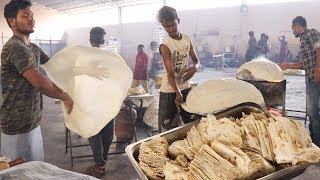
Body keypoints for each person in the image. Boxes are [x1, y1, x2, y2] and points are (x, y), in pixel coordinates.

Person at [0, 0, 74, 162]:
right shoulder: (14, 47)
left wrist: (83, 67)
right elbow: (40, 83)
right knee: (18, 171)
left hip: (32, 121)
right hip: (16, 124)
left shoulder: (32, 48)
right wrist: (66, 97)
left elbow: (56, 65)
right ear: (12, 21)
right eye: (25, 15)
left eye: (32, 15)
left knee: (34, 165)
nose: (31, 19)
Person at [157, 6, 200, 132]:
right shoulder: (165, 45)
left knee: (192, 124)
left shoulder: (186, 39)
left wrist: (194, 68)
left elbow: (196, 61)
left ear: (178, 20)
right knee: (166, 128)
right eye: (167, 27)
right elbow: (170, 73)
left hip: (185, 87)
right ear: (163, 26)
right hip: (169, 90)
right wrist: (177, 92)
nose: (171, 29)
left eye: (173, 25)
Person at [279, 16, 320, 146]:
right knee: (312, 112)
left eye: (292, 28)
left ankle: (317, 144)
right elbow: (303, 63)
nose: (292, 31)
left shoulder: (311, 33)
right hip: (310, 79)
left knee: (313, 112)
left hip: (316, 78)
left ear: (298, 25)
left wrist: (319, 69)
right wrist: (288, 66)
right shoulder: (302, 40)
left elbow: (319, 49)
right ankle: (314, 140)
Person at [83, 27, 114, 178]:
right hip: (107, 100)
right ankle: (104, 160)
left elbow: (79, 79)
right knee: (107, 130)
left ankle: (99, 165)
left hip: (92, 101)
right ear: (103, 40)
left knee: (94, 131)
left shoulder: (84, 57)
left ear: (90, 40)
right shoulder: (110, 57)